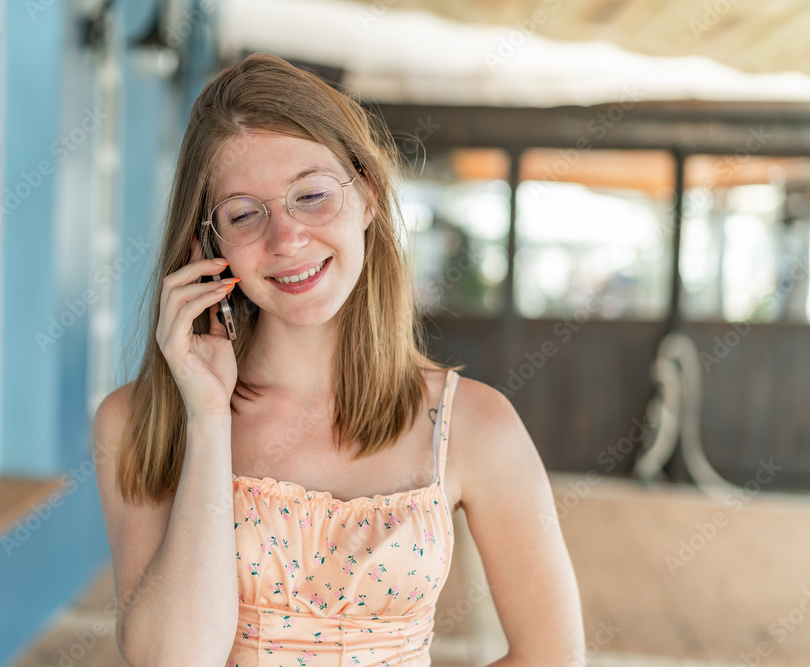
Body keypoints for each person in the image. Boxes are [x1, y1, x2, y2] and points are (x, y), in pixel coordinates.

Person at [93, 52, 585, 666]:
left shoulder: (474, 426)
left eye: (313, 196)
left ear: (370, 196)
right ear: (208, 243)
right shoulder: (140, 421)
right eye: (245, 214)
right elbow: (173, 661)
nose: (287, 239)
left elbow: (553, 657)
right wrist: (207, 417)